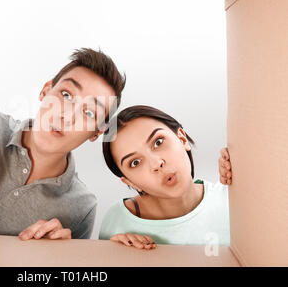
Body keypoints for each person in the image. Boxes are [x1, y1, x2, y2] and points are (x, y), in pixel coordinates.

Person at [0, 48, 126, 240]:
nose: (66, 116)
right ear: (46, 90)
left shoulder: (82, 207)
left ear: (96, 132)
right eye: (66, 95)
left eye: (89, 113)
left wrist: (59, 256)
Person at [99, 105, 233, 249]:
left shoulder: (231, 199)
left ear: (182, 139)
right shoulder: (117, 223)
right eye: (135, 162)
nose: (157, 164)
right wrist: (117, 256)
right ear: (130, 182)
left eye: (158, 142)